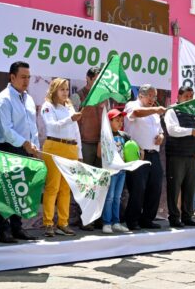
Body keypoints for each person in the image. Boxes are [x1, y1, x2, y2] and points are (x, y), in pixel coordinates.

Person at [0, 61, 41, 243]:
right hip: (8, 148)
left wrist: (34, 146)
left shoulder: (28, 98)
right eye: (23, 77)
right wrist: (25, 143)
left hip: (26, 149)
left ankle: (17, 228)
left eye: (28, 77)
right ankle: (4, 231)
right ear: (12, 77)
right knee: (6, 191)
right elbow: (5, 130)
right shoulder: (3, 100)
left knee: (21, 190)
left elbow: (32, 126)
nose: (26, 81)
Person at [40, 77, 82, 237]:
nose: (65, 92)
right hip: (54, 146)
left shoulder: (69, 106)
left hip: (71, 148)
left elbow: (76, 131)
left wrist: (79, 153)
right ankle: (48, 223)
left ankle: (63, 223)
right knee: (53, 187)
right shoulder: (48, 106)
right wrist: (69, 119)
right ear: (54, 90)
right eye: (62, 89)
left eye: (67, 89)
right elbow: (51, 126)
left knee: (66, 188)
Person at [124, 84, 166, 231]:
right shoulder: (132, 105)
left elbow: (160, 131)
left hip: (154, 154)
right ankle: (132, 220)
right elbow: (136, 113)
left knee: (155, 187)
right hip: (138, 155)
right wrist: (155, 109)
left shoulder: (154, 113)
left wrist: (161, 136)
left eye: (154, 97)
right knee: (138, 188)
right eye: (150, 96)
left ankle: (147, 219)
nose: (153, 99)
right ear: (141, 95)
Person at [164, 87, 195, 228]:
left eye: (191, 96)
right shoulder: (172, 111)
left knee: (190, 188)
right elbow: (172, 130)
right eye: (186, 96)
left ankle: (188, 216)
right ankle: (174, 218)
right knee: (175, 188)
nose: (189, 99)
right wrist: (190, 132)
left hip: (192, 155)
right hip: (177, 155)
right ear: (179, 96)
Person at [74, 66, 105, 230]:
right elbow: (73, 123)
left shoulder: (104, 98)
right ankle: (86, 219)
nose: (98, 83)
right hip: (85, 143)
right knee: (86, 184)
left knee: (100, 183)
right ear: (88, 78)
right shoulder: (78, 96)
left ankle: (98, 217)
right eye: (95, 79)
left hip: (101, 144)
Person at [100, 109, 130, 234]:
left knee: (117, 197)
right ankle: (106, 223)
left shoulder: (123, 135)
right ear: (109, 121)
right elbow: (99, 153)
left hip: (121, 170)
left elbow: (131, 150)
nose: (120, 123)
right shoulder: (106, 135)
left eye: (121, 121)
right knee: (109, 197)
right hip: (110, 171)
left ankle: (116, 222)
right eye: (117, 120)